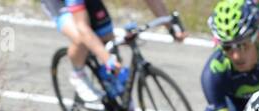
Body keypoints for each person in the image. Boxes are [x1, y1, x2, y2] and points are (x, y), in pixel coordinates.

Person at [42, 0, 183, 104]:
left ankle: (113, 86)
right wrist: (106, 58)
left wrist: (170, 27)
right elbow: (83, 28)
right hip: (59, 4)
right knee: (82, 38)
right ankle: (78, 74)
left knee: (107, 38)